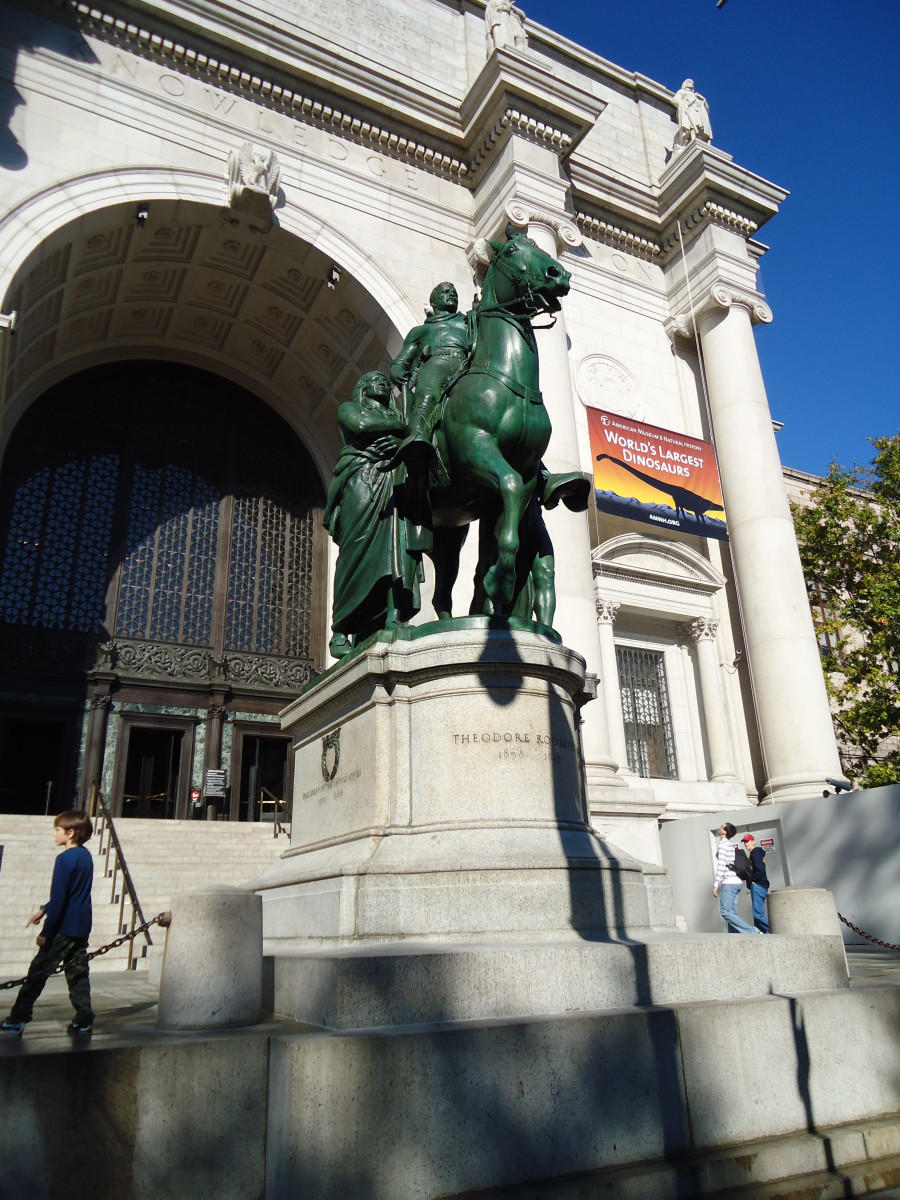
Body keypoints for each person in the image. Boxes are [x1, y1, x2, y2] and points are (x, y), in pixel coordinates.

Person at [323, 371, 423, 658]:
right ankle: (341, 629)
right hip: (360, 480)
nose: (380, 383)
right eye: (373, 380)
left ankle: (394, 615)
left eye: (383, 380)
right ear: (362, 389)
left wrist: (403, 438)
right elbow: (363, 424)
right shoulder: (349, 409)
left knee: (398, 547)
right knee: (355, 552)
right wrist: (404, 426)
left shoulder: (394, 416)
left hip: (393, 479)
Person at [1, 809, 95, 1036]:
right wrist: (44, 909)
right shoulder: (85, 856)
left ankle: (18, 1018)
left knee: (38, 971)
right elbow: (70, 894)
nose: (54, 835)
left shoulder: (64, 859)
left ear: (70, 833)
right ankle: (84, 1018)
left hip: (63, 927)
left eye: (57, 830)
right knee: (78, 972)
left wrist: (46, 931)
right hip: (81, 925)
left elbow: (62, 898)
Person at [387, 282, 471, 472]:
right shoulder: (421, 331)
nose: (452, 294)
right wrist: (397, 369)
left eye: (455, 292)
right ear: (433, 301)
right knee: (428, 394)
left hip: (466, 364)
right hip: (436, 363)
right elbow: (403, 359)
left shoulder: (468, 322)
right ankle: (417, 437)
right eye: (445, 292)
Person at [712, 821, 760, 935]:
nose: (720, 827)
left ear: (724, 831)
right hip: (736, 881)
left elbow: (722, 866)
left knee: (725, 912)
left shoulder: (723, 845)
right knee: (732, 912)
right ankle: (735, 935)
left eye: (722, 826)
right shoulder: (729, 845)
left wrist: (715, 884)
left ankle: (752, 931)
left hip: (729, 882)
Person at [741, 833, 770, 933]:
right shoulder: (755, 853)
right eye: (744, 842)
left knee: (757, 915)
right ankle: (762, 934)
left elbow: (760, 869)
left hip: (758, 885)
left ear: (753, 841)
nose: (746, 844)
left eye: (748, 841)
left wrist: (752, 880)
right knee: (758, 915)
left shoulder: (755, 852)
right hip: (761, 885)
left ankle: (774, 929)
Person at [673, 79, 713, 148]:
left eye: (692, 82)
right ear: (685, 84)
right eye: (689, 82)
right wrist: (685, 104)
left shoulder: (696, 94)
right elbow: (675, 100)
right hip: (690, 110)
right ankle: (691, 139)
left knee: (701, 126)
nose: (692, 83)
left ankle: (702, 140)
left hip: (699, 112)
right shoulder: (682, 91)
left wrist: (704, 100)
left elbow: (707, 109)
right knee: (693, 126)